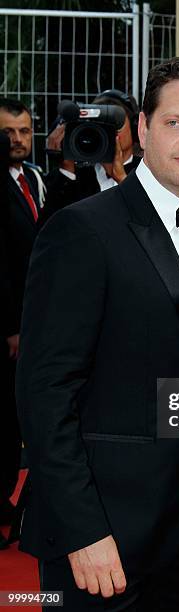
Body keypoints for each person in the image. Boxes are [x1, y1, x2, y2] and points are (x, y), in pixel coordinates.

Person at [16, 50, 179, 611]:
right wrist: (83, 531)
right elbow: (44, 393)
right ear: (142, 128)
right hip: (101, 538)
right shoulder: (83, 231)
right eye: (175, 123)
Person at [0, 99, 48, 542]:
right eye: (8, 132)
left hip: (32, 322)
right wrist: (11, 326)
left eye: (24, 131)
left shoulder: (34, 178)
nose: (17, 140)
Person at [44, 89, 142, 216]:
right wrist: (66, 173)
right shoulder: (73, 175)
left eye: (117, 123)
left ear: (135, 129)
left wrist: (122, 179)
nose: (110, 131)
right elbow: (49, 227)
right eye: (101, 124)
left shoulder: (150, 172)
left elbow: (155, 222)